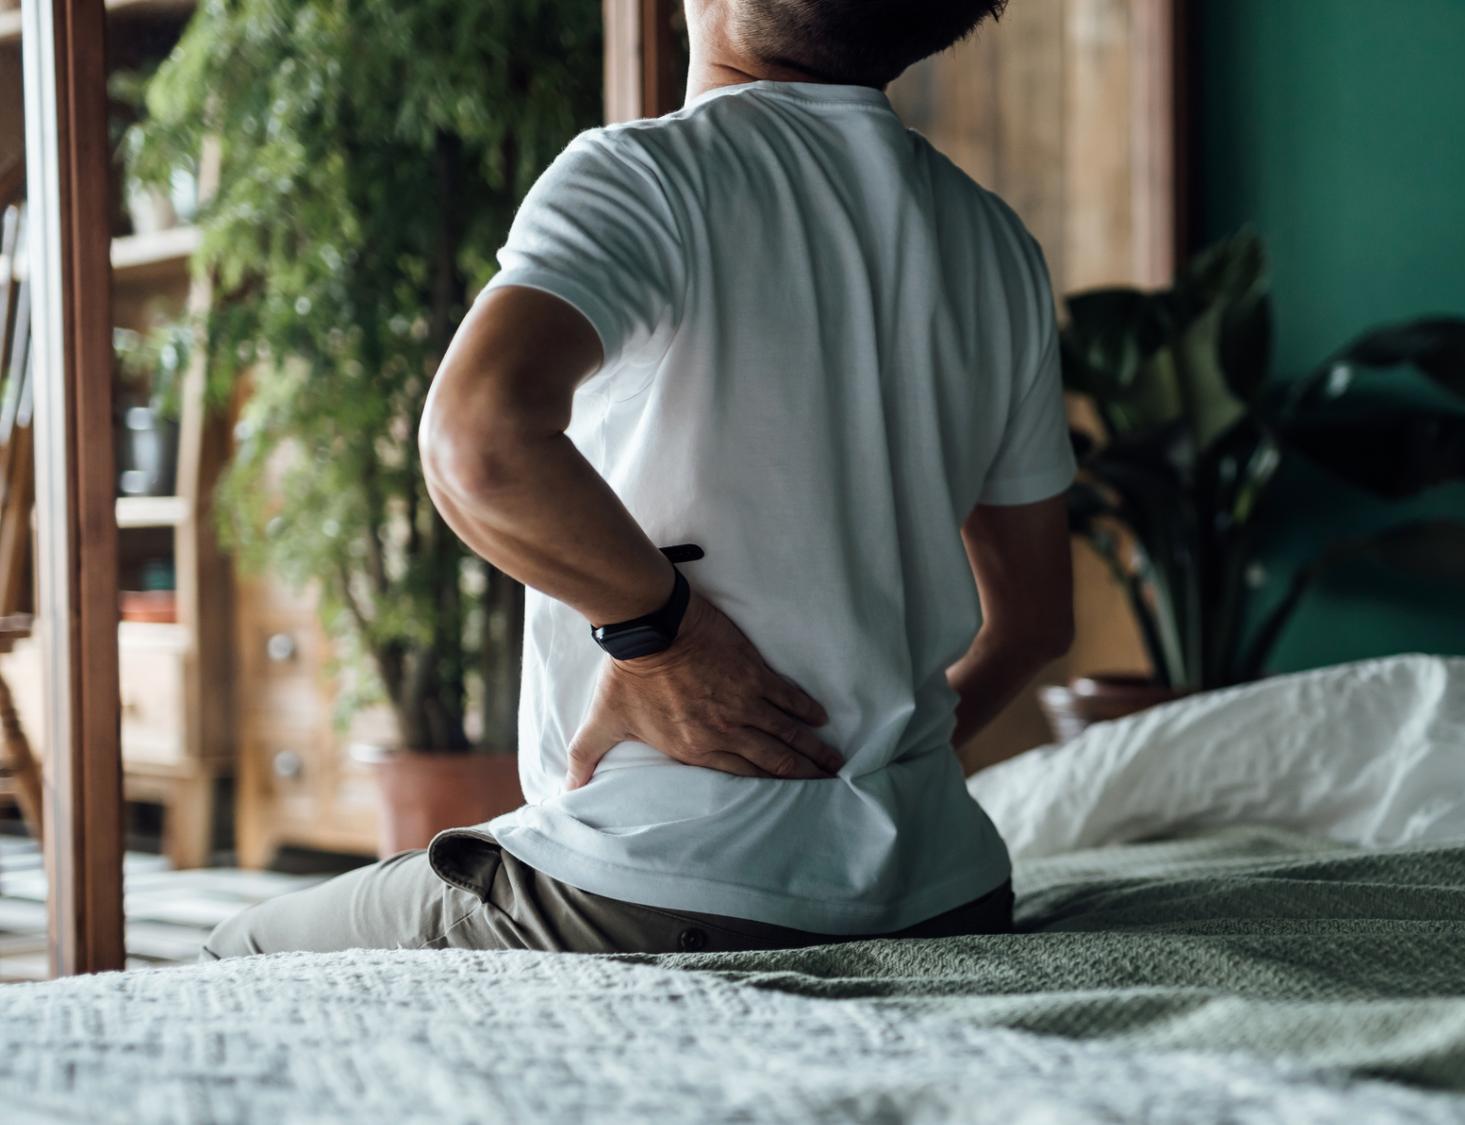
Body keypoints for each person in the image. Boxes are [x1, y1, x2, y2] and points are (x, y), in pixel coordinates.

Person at [204, 0, 1074, 958]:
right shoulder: (999, 247)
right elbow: (1034, 620)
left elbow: (478, 444)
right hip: (946, 891)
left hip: (663, 886)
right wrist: (874, 774)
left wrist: (664, 639)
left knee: (229, 955)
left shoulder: (650, 175)